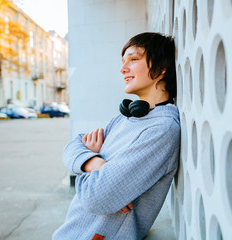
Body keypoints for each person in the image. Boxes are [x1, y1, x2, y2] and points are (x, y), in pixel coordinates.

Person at [53, 32, 180, 240]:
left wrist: (84, 164)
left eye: (134, 59)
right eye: (123, 61)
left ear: (161, 68)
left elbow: (96, 198)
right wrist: (94, 163)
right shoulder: (126, 117)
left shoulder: (161, 131)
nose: (123, 69)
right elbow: (71, 147)